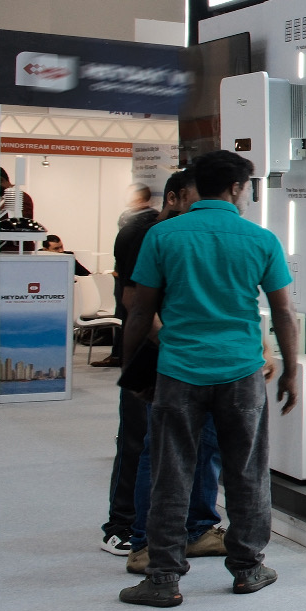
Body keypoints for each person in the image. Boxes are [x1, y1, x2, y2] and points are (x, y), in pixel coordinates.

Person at [118, 150, 298, 607]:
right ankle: (248, 567)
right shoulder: (260, 239)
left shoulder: (163, 235)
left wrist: (130, 368)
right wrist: (292, 370)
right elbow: (283, 312)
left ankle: (163, 578)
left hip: (178, 370)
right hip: (240, 372)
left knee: (171, 472)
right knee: (247, 472)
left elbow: (140, 310)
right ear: (237, 188)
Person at [100, 172, 195, 552]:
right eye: (196, 198)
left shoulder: (187, 235)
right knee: (137, 440)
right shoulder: (140, 234)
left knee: (180, 445)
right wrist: (172, 341)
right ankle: (121, 525)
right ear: (174, 198)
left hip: (182, 353)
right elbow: (133, 302)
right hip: (150, 351)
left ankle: (176, 525)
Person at [94, 184, 159, 368]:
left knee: (132, 313)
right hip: (125, 273)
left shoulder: (148, 221)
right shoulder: (131, 217)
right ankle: (120, 355)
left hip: (133, 275)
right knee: (124, 313)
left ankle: (124, 356)